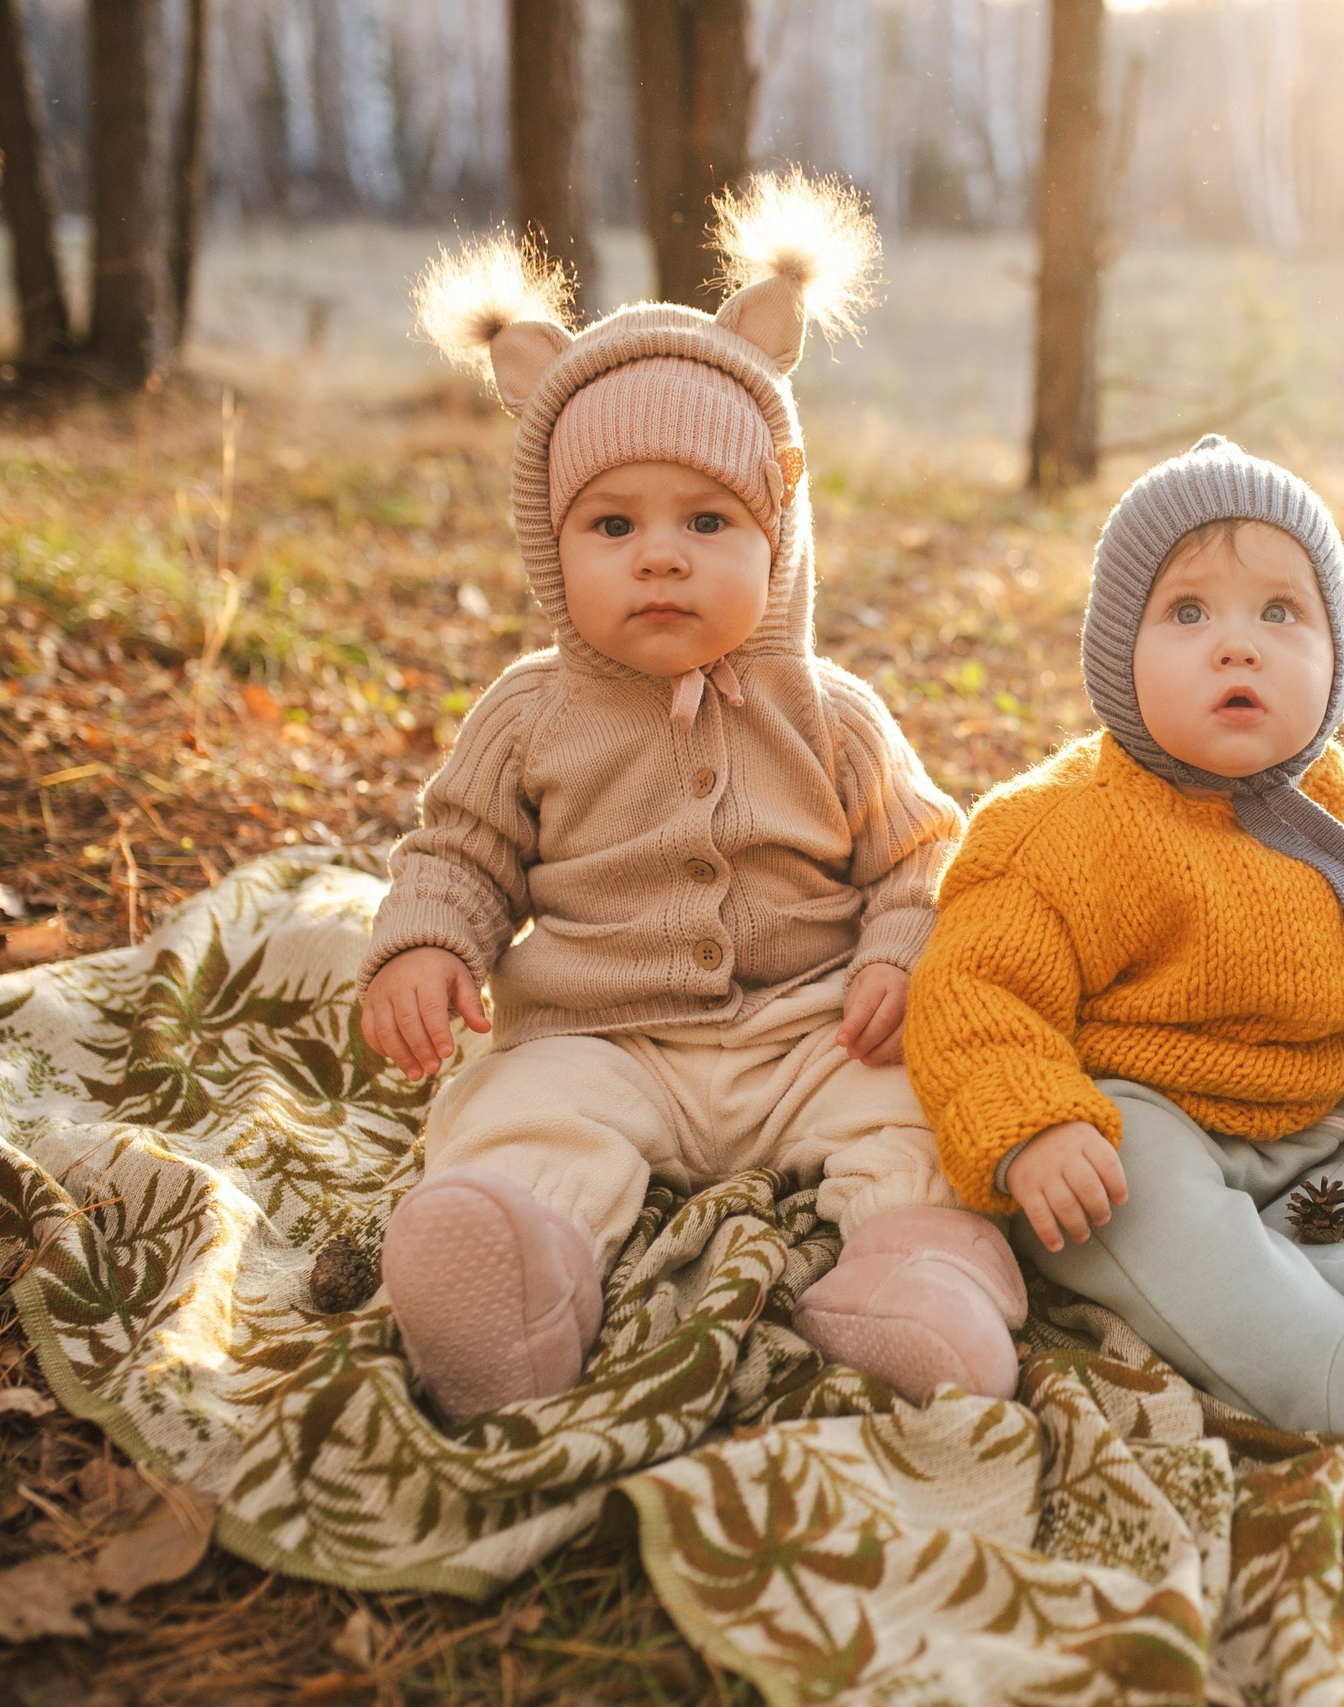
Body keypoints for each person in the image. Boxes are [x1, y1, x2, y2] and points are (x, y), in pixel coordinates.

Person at [357, 175, 1024, 1423]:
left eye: (707, 519)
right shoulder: (530, 714)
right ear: (550, 550)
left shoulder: (829, 712)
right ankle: (514, 1276)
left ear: (777, 536)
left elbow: (926, 855)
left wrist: (897, 956)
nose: (659, 553)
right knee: (517, 1115)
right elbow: (459, 850)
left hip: (811, 1032)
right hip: (603, 1041)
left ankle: (916, 1273)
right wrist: (427, 939)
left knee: (925, 1104)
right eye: (611, 524)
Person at [908, 437, 1344, 1438]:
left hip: (1325, 1127)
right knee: (1131, 1188)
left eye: (1281, 612)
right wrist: (1032, 1123)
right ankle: (1312, 1360)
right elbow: (973, 991)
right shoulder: (1057, 828)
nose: (1238, 646)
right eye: (1187, 613)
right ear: (1113, 649)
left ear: (1336, 650)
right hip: (1149, 1124)